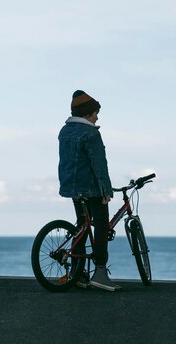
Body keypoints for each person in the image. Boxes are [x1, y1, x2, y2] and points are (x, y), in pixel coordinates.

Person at [58, 90, 119, 291]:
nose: (97, 117)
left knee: (82, 226)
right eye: (95, 113)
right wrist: (106, 189)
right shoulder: (91, 133)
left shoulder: (65, 131)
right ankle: (100, 272)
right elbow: (99, 164)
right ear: (86, 114)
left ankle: (78, 273)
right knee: (101, 226)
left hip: (73, 188)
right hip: (92, 189)